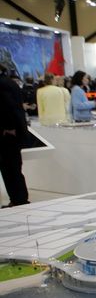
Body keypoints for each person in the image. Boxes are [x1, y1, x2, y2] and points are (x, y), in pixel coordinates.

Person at [0, 63, 29, 207]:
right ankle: (19, 198)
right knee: (13, 166)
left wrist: (9, 127)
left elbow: (7, 107)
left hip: (8, 134)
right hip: (13, 132)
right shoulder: (8, 82)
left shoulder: (3, 84)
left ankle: (18, 199)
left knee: (10, 167)